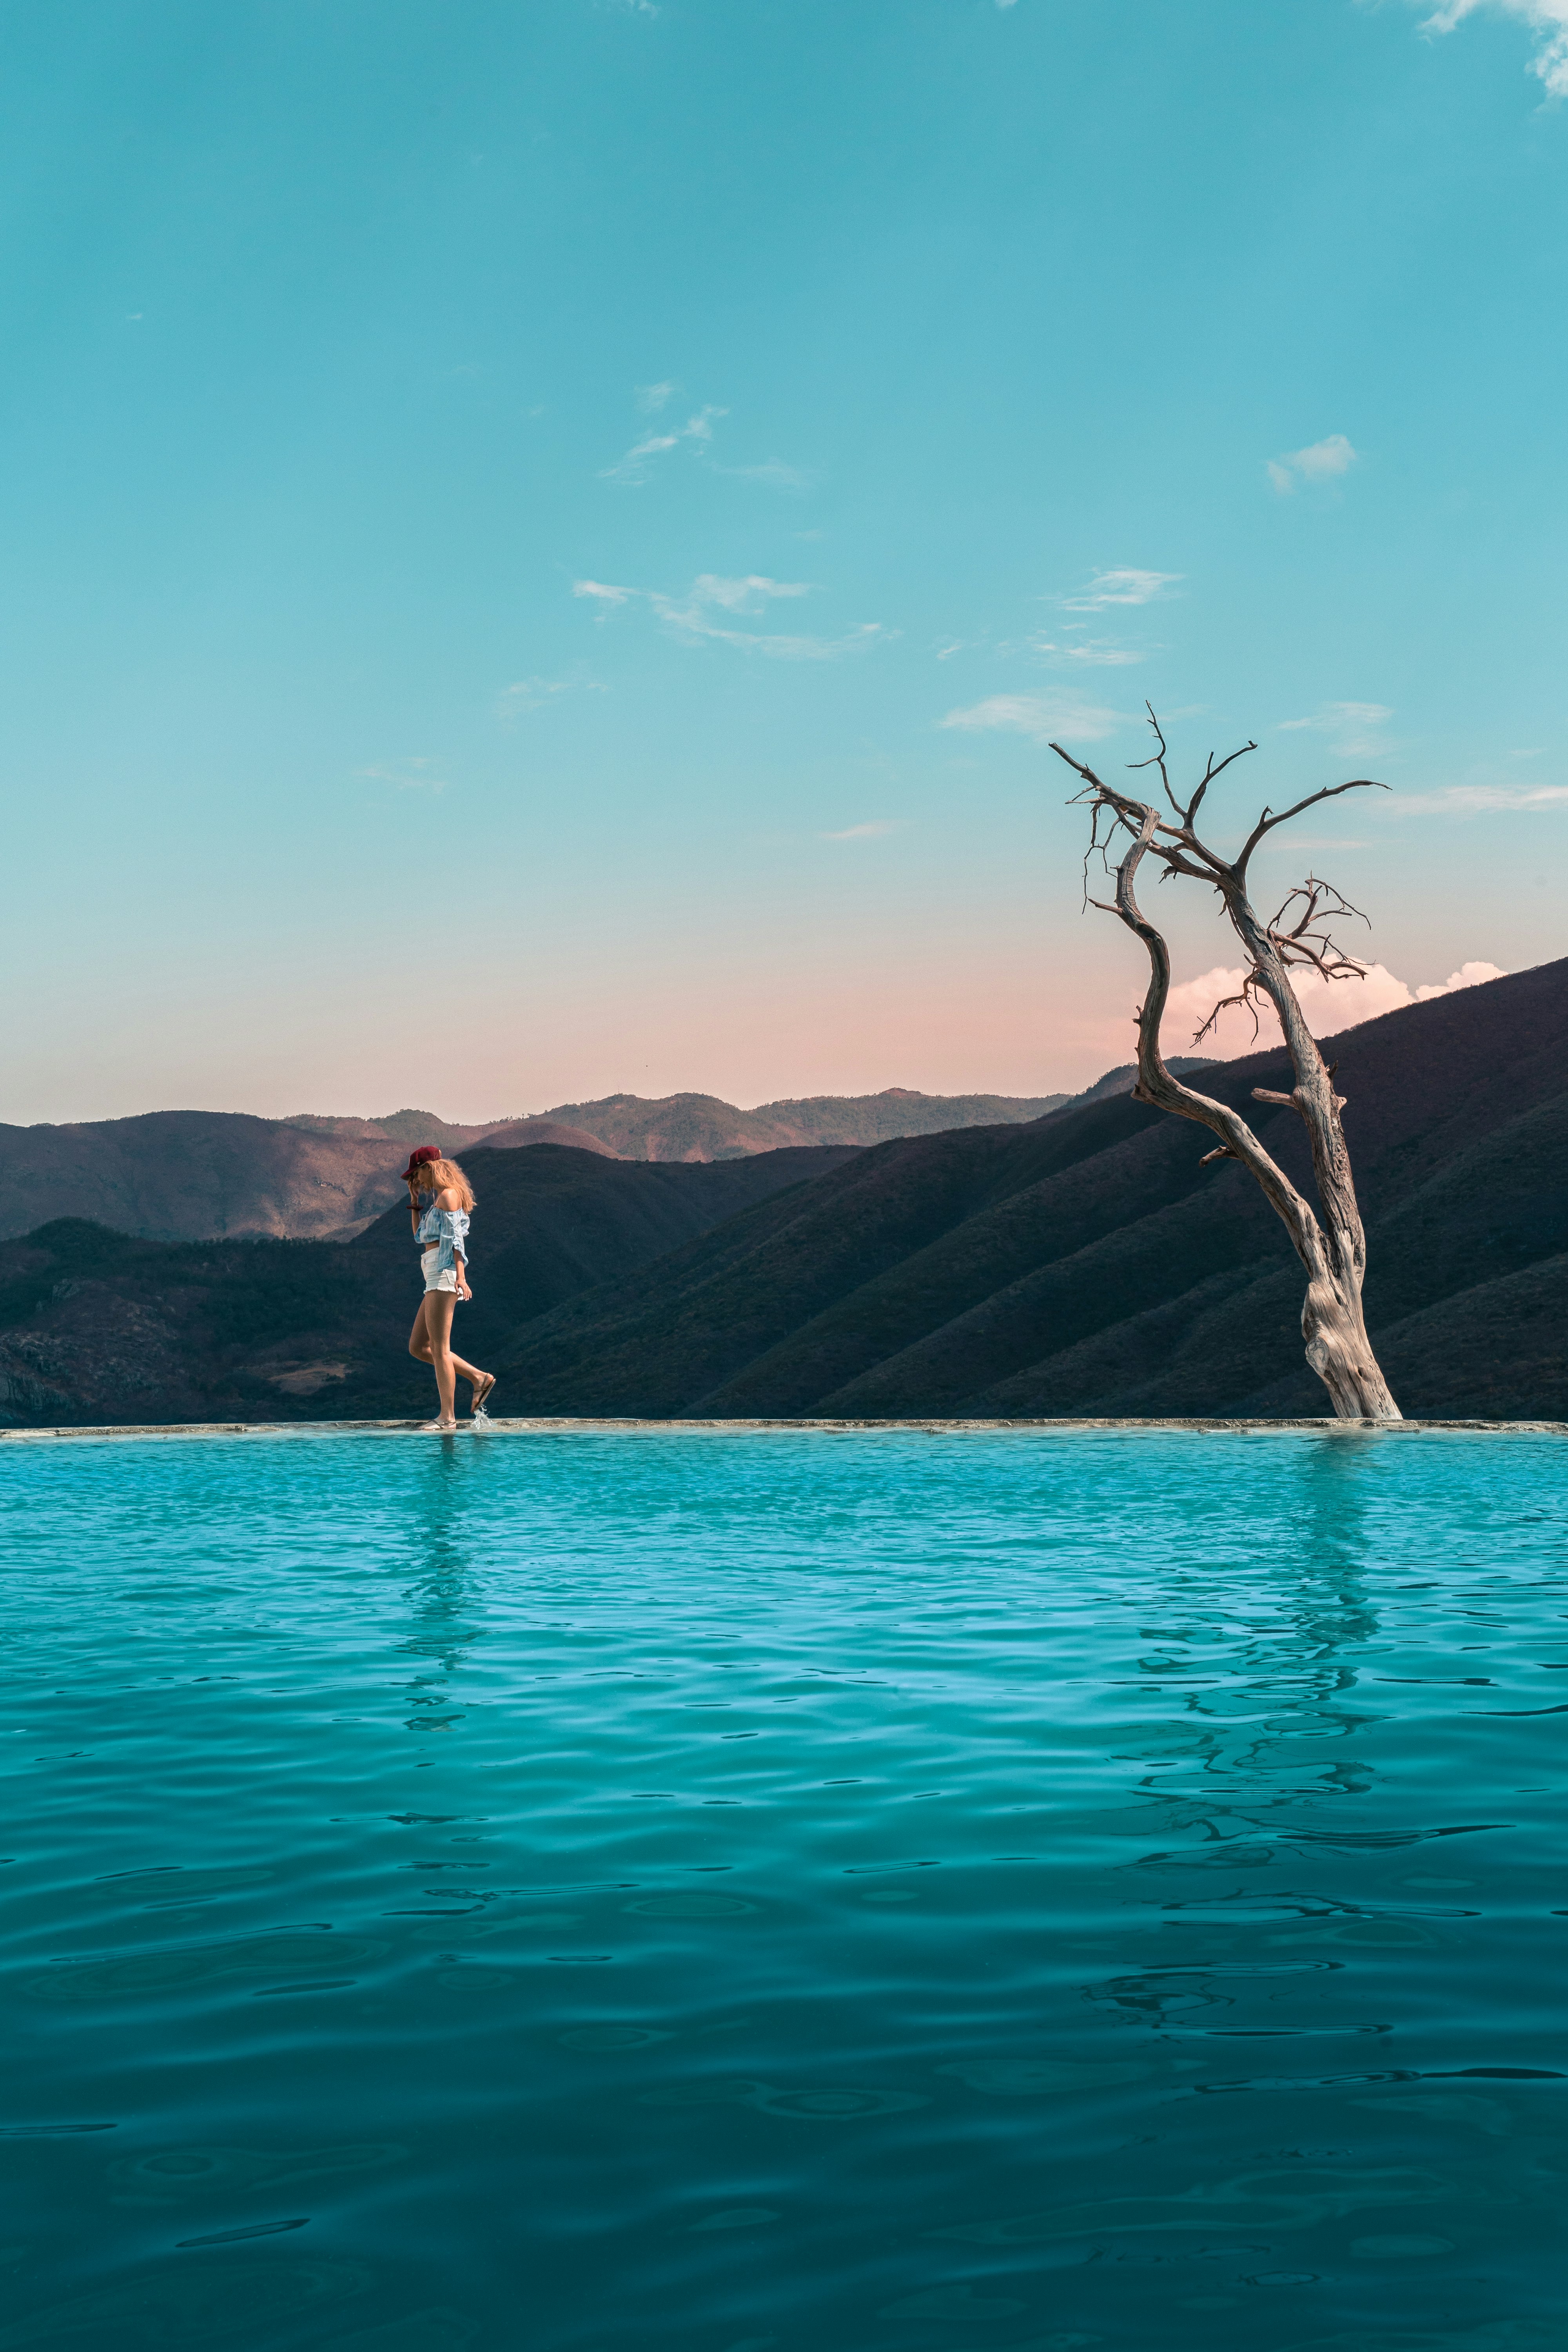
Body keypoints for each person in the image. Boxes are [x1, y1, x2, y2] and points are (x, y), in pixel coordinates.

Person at [402, 1145, 495, 1429]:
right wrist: (414, 1202)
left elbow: (457, 1239)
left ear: (429, 1167)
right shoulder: (437, 1201)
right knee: (419, 1347)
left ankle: (447, 1418)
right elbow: (420, 1237)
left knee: (441, 1349)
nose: (417, 1181)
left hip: (444, 1275)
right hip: (433, 1276)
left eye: (417, 1175)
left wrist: (461, 1275)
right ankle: (478, 1378)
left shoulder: (449, 1195)